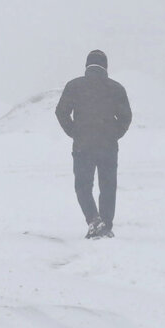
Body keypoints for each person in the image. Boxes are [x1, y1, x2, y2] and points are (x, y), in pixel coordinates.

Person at [55, 49, 132, 238]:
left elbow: (61, 112)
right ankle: (105, 225)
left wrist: (74, 132)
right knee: (107, 186)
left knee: (83, 186)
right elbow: (126, 117)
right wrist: (114, 134)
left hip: (83, 145)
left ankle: (93, 219)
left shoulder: (74, 86)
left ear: (87, 66)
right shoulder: (116, 88)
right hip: (108, 146)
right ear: (105, 66)